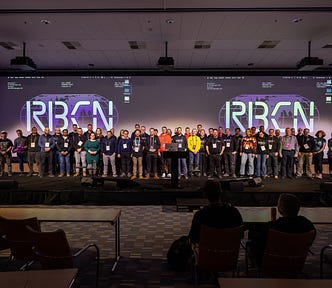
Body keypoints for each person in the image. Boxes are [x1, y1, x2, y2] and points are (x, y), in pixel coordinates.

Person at [248, 193, 316, 267]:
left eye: (278, 204)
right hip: (296, 264)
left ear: (282, 208)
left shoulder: (272, 227)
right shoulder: (307, 225)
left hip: (271, 264)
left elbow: (256, 244)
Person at [188, 180, 243, 246]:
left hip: (207, 254)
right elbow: (241, 235)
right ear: (221, 192)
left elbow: (193, 238)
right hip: (229, 253)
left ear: (205, 194)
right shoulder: (233, 212)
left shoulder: (200, 215)